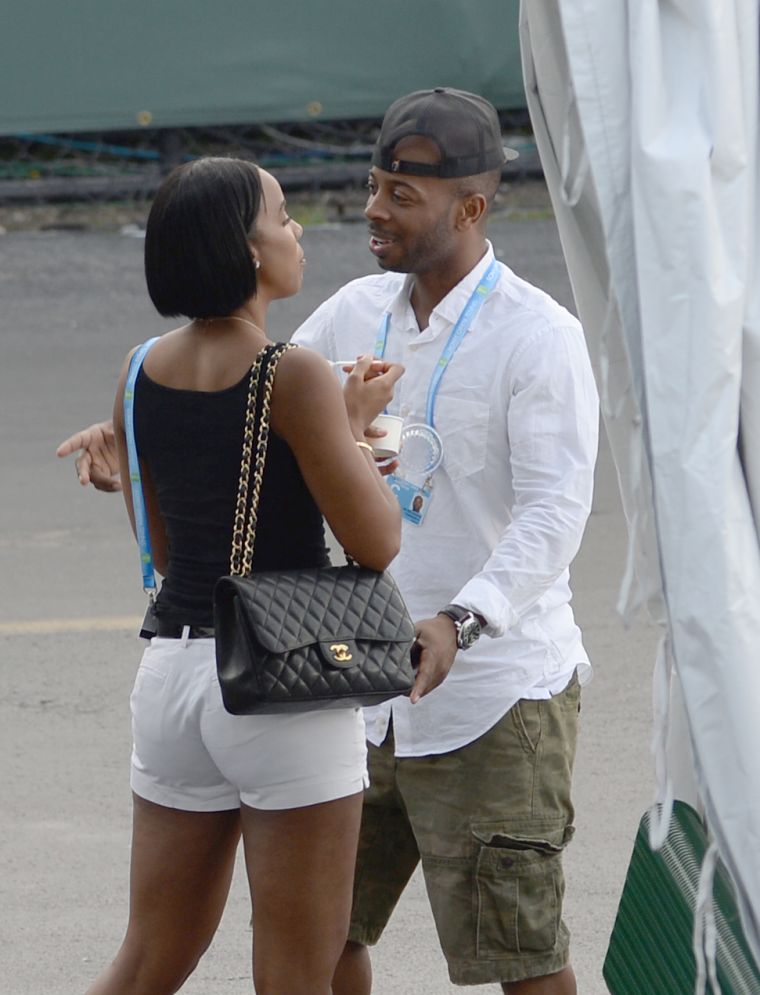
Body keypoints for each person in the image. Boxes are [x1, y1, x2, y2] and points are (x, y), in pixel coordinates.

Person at [58, 88, 599, 994]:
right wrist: (144, 438)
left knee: (520, 952)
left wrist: (462, 620)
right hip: (332, 676)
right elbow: (253, 407)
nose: (368, 210)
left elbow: (553, 513)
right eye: (374, 184)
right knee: (323, 945)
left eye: (400, 195)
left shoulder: (540, 337)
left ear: (470, 207)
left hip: (485, 694)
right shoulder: (348, 315)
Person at [76, 155, 405, 995]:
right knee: (299, 968)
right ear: (249, 250)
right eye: (283, 215)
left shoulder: (138, 367)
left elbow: (164, 544)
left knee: (150, 957)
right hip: (281, 683)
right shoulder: (288, 373)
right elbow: (377, 540)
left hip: (176, 677)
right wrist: (357, 431)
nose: (296, 231)